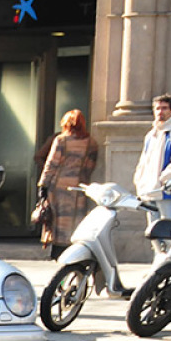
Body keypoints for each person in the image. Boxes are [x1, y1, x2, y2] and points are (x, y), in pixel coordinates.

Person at [36, 109, 99, 261]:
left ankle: (57, 252)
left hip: (59, 186)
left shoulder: (62, 140)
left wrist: (43, 185)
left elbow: (52, 163)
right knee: (75, 221)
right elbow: (90, 165)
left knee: (59, 221)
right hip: (79, 186)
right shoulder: (91, 142)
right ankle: (74, 250)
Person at [134, 94, 171, 229]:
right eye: (157, 108)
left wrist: (163, 180)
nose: (160, 112)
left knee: (168, 231)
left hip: (167, 191)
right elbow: (144, 162)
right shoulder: (151, 135)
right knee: (154, 232)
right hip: (149, 191)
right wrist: (140, 181)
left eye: (164, 108)